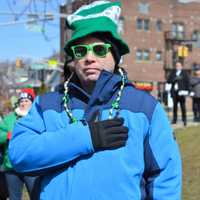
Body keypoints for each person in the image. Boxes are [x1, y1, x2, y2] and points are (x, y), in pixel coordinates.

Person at [9, 1, 182, 199]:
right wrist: (85, 138)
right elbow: (19, 154)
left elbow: (165, 177)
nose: (89, 57)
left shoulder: (145, 107)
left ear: (115, 55)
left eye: (99, 49)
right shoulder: (46, 105)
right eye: (80, 51)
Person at [0, 88, 37, 200]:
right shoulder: (9, 119)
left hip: (32, 166)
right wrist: (7, 136)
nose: (23, 103)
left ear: (32, 102)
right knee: (14, 197)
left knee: (36, 195)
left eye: (26, 101)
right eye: (21, 101)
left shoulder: (37, 118)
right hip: (11, 166)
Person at [167, 61, 190, 126]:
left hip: (181, 92)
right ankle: (174, 120)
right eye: (176, 66)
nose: (177, 67)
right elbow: (168, 81)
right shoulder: (173, 73)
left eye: (179, 66)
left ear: (181, 66)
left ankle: (184, 120)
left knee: (183, 106)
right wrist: (174, 79)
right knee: (175, 107)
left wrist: (188, 91)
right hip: (174, 92)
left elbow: (187, 83)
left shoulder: (184, 73)